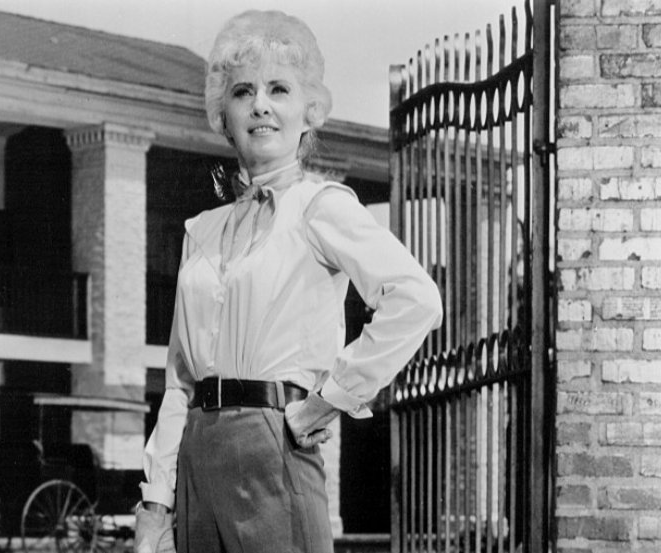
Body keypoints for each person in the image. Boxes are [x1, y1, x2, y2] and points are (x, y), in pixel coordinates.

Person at [134, 9, 442, 553]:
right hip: (196, 457)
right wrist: (156, 504)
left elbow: (416, 299)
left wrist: (328, 400)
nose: (260, 104)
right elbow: (180, 383)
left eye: (279, 89)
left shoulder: (320, 206)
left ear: (309, 111)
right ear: (223, 115)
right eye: (243, 91)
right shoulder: (201, 231)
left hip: (274, 444)